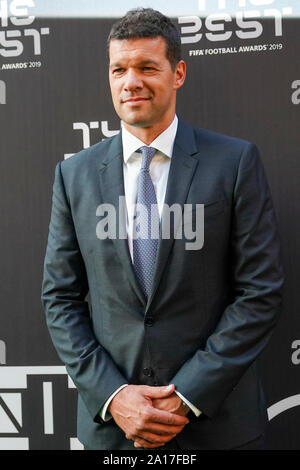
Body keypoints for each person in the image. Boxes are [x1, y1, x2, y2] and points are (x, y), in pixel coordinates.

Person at [41, 8, 284, 450]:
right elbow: (60, 298)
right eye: (119, 69)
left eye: (147, 67)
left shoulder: (234, 163)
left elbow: (260, 291)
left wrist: (187, 395)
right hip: (115, 430)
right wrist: (114, 396)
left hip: (219, 425)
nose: (130, 81)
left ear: (178, 73)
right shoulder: (73, 175)